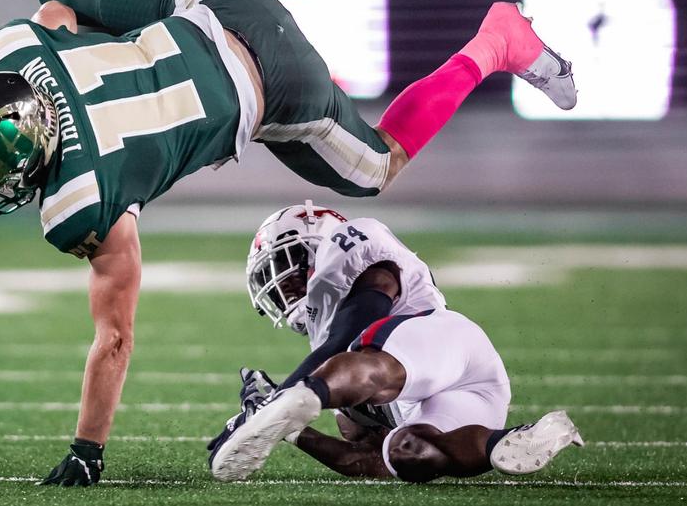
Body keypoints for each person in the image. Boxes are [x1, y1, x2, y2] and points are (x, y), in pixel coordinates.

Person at [0, 0, 577, 486]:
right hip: (219, 0)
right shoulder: (10, 52)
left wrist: (87, 449)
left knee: (377, 165)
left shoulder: (82, 203)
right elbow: (58, 17)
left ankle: (496, 43)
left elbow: (115, 338)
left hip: (274, 87)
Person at [207, 202, 583, 482]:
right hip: (473, 397)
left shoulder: (349, 252)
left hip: (442, 344)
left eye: (284, 263)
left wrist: (275, 404)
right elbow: (368, 462)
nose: (281, 284)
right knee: (408, 454)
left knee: (367, 359)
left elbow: (352, 329)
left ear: (313, 244)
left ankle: (291, 403)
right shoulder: (334, 371)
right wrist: (292, 432)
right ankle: (510, 441)